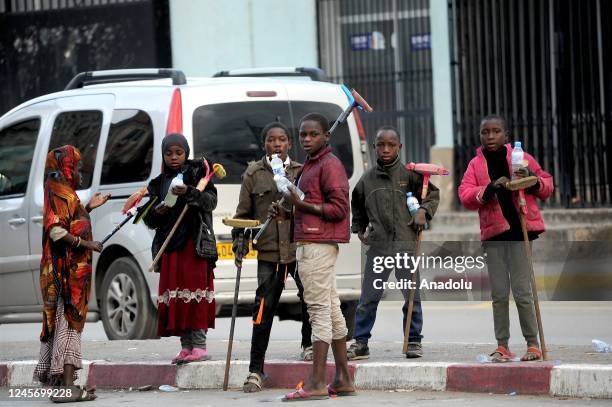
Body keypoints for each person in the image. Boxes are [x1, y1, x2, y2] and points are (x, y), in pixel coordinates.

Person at [458, 115, 553, 362]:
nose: (490, 136)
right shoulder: (475, 165)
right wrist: (489, 188)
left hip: (521, 232)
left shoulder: (521, 158)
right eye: (485, 132)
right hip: (494, 236)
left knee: (522, 291)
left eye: (496, 131)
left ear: (506, 135)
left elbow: (546, 185)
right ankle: (503, 345)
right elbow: (465, 194)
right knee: (499, 294)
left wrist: (531, 178)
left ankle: (533, 344)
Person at [276, 113, 355, 401]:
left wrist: (303, 205)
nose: (307, 139)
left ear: (326, 136)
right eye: (303, 135)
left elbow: (338, 209)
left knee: (319, 310)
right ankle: (344, 377)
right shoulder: (311, 165)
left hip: (318, 245)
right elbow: (307, 203)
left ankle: (317, 381)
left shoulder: (330, 165)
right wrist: (289, 209)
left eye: (313, 134)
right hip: (312, 242)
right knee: (331, 309)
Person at [233, 122, 313, 392]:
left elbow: (310, 209)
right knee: (262, 309)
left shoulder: (301, 171)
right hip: (269, 253)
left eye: (281, 140)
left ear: (289, 143)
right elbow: (243, 215)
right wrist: (239, 243)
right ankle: (256, 370)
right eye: (271, 140)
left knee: (311, 298)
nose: (277, 144)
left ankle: (308, 345)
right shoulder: (254, 173)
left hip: (298, 248)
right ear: (264, 144)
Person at [348, 126, 439, 360]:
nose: (386, 149)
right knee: (369, 297)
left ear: (400, 146)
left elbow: (432, 196)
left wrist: (423, 211)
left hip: (406, 246)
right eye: (381, 144)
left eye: (391, 144)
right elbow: (356, 203)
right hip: (378, 248)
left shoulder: (412, 175)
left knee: (411, 296)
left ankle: (414, 341)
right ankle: (360, 342)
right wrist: (359, 228)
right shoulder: (367, 179)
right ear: (374, 147)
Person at [34, 145, 110, 402]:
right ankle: (66, 388)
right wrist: (87, 244)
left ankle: (61, 385)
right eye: (75, 168)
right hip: (66, 273)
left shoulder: (64, 193)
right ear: (65, 168)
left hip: (66, 271)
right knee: (69, 323)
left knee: (63, 323)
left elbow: (69, 221)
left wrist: (89, 206)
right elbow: (57, 231)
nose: (79, 173)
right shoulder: (59, 192)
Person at [143, 133, 218, 364]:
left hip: (193, 247)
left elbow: (211, 201)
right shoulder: (158, 183)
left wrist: (190, 192)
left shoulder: (197, 174)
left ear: (186, 153)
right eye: (169, 153)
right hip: (171, 249)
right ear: (163, 155)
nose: (174, 158)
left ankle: (200, 346)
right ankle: (186, 347)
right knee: (177, 296)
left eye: (179, 153)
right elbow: (147, 218)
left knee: (194, 294)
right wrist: (158, 211)